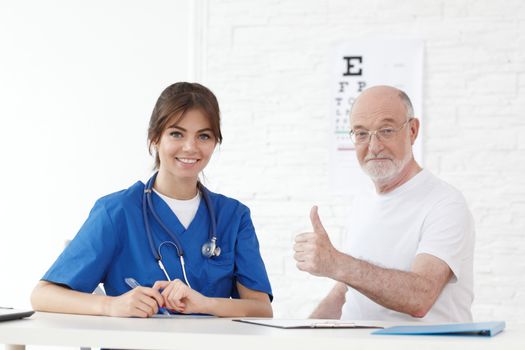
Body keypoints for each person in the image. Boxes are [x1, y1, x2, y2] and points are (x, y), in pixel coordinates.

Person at [31, 82, 273, 318]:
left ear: (215, 143)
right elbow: (43, 296)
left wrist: (206, 304)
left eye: (204, 136)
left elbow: (261, 309)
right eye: (177, 133)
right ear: (154, 138)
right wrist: (111, 305)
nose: (190, 147)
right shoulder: (117, 211)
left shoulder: (233, 216)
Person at [293, 85, 474, 323]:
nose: (374, 146)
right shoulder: (363, 200)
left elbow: (421, 298)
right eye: (361, 134)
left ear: (412, 130)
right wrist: (302, 332)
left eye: (386, 130)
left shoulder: (445, 204)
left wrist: (336, 263)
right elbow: (346, 290)